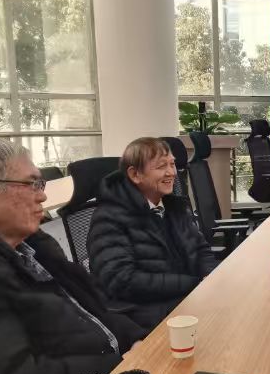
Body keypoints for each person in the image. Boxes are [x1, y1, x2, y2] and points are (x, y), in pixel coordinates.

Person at [0, 137, 145, 374]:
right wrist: (119, 366)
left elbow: (94, 311)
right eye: (31, 184)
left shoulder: (32, 246)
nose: (43, 196)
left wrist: (137, 340)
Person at [88, 137, 218, 329]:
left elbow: (200, 249)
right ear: (135, 174)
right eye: (161, 166)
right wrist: (194, 283)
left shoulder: (174, 206)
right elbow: (121, 280)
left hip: (185, 300)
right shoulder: (109, 217)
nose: (171, 172)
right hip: (145, 313)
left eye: (172, 164)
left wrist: (211, 277)